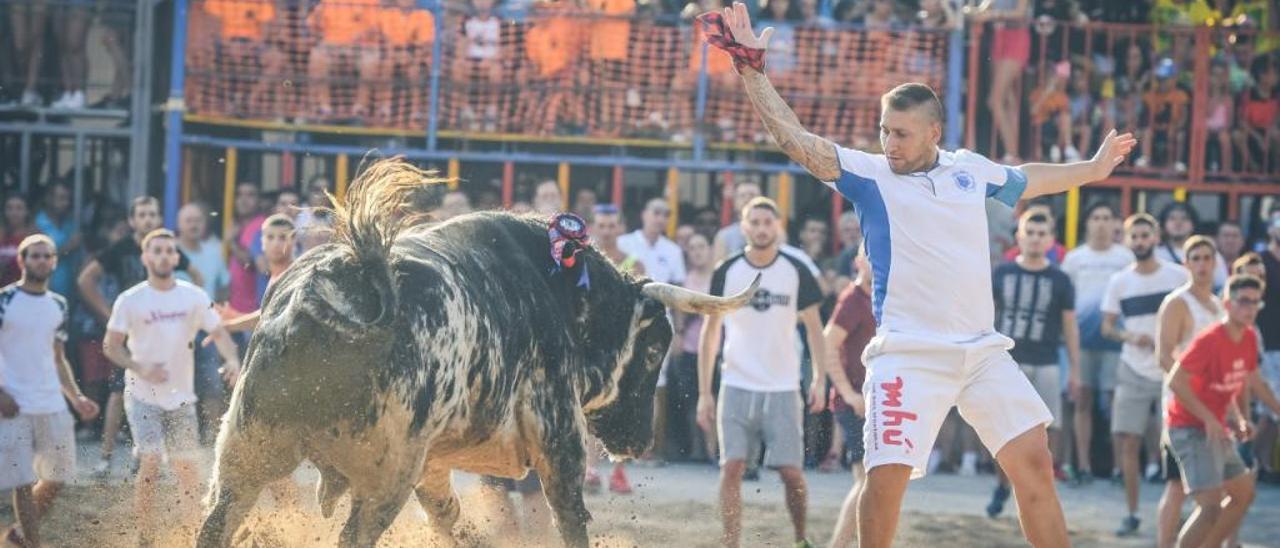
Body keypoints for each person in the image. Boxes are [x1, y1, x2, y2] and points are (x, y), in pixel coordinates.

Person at [702, 4, 1136, 546]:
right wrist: (751, 70)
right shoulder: (870, 175)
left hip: (981, 351)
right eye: (885, 131)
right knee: (884, 483)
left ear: (934, 131)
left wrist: (1093, 170)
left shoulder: (969, 170)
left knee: (1035, 465)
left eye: (903, 134)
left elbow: (1028, 180)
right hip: (908, 353)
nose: (891, 144)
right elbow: (796, 139)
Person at [697, 197, 828, 548]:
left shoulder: (795, 270)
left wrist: (819, 378)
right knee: (732, 468)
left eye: (767, 222)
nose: (761, 228)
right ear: (743, 227)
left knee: (791, 473)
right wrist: (705, 393)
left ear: (778, 226)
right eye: (753, 222)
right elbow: (711, 332)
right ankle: (731, 543)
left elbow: (816, 329)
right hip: (736, 381)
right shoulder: (727, 270)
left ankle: (801, 538)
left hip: (783, 385)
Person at [103, 229, 240, 546]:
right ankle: (145, 534)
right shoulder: (130, 299)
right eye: (157, 250)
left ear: (177, 258)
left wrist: (232, 360)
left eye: (169, 250)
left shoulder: (192, 295)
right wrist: (140, 367)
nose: (164, 255)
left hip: (181, 398)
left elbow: (219, 333)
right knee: (150, 461)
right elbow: (111, 347)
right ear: (145, 257)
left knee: (186, 467)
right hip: (141, 395)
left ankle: (195, 534)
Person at [79, 197, 202, 474]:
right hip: (131, 331)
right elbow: (85, 279)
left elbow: (197, 276)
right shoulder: (120, 249)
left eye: (153, 214)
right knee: (116, 390)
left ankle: (150, 456)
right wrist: (108, 313)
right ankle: (105, 458)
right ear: (132, 220)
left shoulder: (166, 248)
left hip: (163, 332)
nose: (148, 219)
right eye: (142, 215)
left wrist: (189, 320)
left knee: (165, 390)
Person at [0, 235, 100, 547]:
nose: (42, 261)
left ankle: (18, 534)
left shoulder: (59, 305)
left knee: (58, 475)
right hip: (14, 403)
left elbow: (58, 358)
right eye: (35, 256)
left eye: (47, 256)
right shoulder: (4, 300)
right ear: (22, 260)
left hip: (52, 402)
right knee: (22, 480)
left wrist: (76, 397)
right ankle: (33, 543)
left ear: (55, 261)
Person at [1166, 274, 1280, 548]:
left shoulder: (1249, 337)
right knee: (1209, 507)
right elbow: (1175, 380)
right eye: (1243, 301)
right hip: (1188, 428)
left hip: (1215, 427)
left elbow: (1250, 380)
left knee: (1243, 493)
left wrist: (1243, 418)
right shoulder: (1210, 340)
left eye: (1255, 302)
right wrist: (1208, 418)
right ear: (1227, 304)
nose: (1250, 308)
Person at [986, 210, 1080, 518]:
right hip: (1008, 363)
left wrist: (1075, 371)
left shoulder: (1061, 279)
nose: (1037, 238)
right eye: (1031, 232)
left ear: (1051, 240)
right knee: (1005, 431)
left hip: (1048, 361)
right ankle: (1003, 484)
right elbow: (987, 316)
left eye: (1043, 233)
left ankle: (1039, 490)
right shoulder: (1001, 274)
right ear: (1019, 237)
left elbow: (1070, 326)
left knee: (1046, 432)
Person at [1101, 213, 1188, 536]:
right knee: (1127, 442)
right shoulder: (1119, 281)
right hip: (1133, 368)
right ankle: (1132, 512)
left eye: (1144, 235)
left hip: (1173, 370)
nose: (1139, 241)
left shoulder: (1178, 276)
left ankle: (1182, 511)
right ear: (1127, 241)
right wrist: (1130, 336)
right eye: (1134, 236)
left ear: (1155, 238)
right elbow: (1107, 326)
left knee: (1181, 443)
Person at [1152, 235, 1226, 548]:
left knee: (1215, 486)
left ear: (1215, 262)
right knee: (1176, 485)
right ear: (1186, 264)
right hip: (1181, 408)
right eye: (1194, 258)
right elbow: (1164, 355)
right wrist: (1188, 397)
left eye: (1206, 257)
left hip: (1214, 409)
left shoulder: (1219, 305)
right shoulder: (1178, 302)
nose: (1201, 264)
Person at [1060, 201, 1133, 484]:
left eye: (1107, 217)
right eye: (1096, 217)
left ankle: (1117, 468)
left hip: (1117, 340)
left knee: (1116, 402)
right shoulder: (1075, 259)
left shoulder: (1125, 258)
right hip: (1081, 340)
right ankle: (1083, 466)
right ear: (1087, 223)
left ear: (1115, 224)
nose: (1101, 223)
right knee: (1082, 402)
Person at [824, 254, 873, 548]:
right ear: (859, 262)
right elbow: (828, 344)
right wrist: (848, 393)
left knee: (874, 481)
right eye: (870, 256)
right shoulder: (853, 300)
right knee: (866, 480)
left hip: (878, 400)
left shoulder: (884, 295)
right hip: (854, 403)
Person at [177, 202, 232, 442]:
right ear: (179, 224)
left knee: (212, 385)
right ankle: (180, 441)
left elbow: (223, 285)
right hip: (175, 330)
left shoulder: (214, 250)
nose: (193, 225)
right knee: (178, 387)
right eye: (188, 220)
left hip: (206, 328)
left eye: (198, 220)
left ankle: (212, 441)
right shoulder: (170, 252)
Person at [218, 215, 298, 334]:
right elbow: (268, 315)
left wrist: (229, 325)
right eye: (270, 237)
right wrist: (235, 316)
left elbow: (271, 321)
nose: (276, 243)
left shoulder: (296, 275)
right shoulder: (273, 276)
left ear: (294, 241)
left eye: (283, 238)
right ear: (262, 242)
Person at [1154, 202, 1227, 287]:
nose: (1178, 223)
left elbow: (1222, 286)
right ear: (1163, 224)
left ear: (1193, 224)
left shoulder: (1210, 254)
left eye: (1184, 218)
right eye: (1172, 218)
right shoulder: (1155, 254)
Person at [619, 198, 686, 286]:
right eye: (656, 213)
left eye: (666, 215)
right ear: (644, 214)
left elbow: (679, 282)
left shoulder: (674, 250)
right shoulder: (623, 242)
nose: (661, 219)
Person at [34, 183, 82, 299]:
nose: (65, 203)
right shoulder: (37, 224)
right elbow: (38, 259)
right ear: (48, 199)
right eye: (61, 198)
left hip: (68, 294)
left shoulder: (70, 224)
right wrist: (68, 247)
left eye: (67, 199)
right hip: (43, 293)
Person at [227, 182, 267, 316]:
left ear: (259, 201)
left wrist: (232, 241)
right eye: (239, 195)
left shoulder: (261, 225)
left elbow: (248, 263)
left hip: (251, 309)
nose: (243, 200)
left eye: (250, 195)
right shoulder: (236, 224)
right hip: (234, 306)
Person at [713, 181, 761, 262]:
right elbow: (718, 270)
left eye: (752, 195)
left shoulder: (774, 234)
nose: (747, 199)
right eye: (742, 196)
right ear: (735, 202)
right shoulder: (724, 236)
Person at [0, 194, 36, 286]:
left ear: (27, 211)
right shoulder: (1, 235)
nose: (14, 213)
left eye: (19, 208)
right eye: (10, 208)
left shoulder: (34, 238)